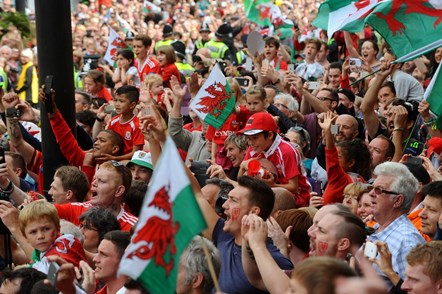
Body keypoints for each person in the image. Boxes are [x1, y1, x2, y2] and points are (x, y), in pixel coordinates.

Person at [196, 175, 293, 293]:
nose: (224, 205)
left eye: (233, 200)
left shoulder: (274, 260)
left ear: (253, 212)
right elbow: (195, 194)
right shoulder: (223, 235)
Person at [367, 162, 425, 289]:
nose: (371, 193)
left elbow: (414, 291)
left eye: (379, 190)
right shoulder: (375, 227)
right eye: (371, 187)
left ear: (398, 200)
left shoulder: (407, 241)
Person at [238, 112, 311, 207]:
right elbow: (241, 182)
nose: (250, 143)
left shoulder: (286, 151)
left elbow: (293, 187)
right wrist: (243, 166)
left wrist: (272, 185)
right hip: (268, 193)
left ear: (269, 135)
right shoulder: (253, 148)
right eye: (248, 138)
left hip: (297, 198)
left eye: (255, 138)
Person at [54, 160, 137, 232]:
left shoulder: (133, 227)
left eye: (101, 181)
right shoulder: (74, 210)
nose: (93, 183)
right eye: (94, 179)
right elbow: (43, 211)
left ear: (119, 191)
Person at [18, 200, 86, 273]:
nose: (40, 236)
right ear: (25, 236)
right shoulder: (38, 251)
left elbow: (47, 275)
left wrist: (25, 269)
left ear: (58, 229)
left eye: (46, 229)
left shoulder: (66, 242)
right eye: (33, 232)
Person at [95, 85, 144, 158]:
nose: (117, 104)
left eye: (121, 101)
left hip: (127, 161)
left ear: (132, 105)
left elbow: (136, 153)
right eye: (115, 100)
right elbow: (103, 139)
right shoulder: (114, 121)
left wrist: (115, 159)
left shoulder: (137, 125)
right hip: (112, 156)